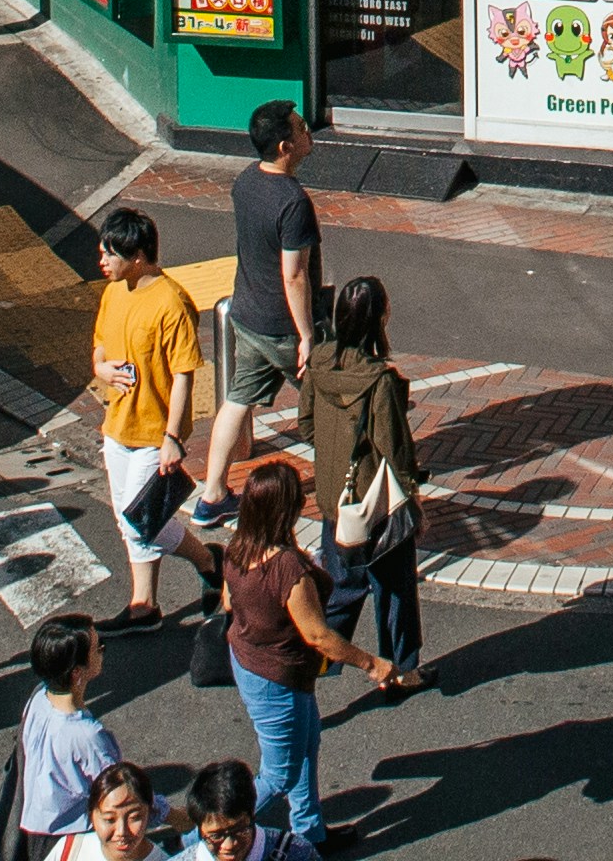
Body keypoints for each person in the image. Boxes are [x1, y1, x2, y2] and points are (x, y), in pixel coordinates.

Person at [213, 455, 418, 861]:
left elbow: (228, 604)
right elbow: (318, 635)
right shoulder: (286, 567)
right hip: (277, 679)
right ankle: (211, 831)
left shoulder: (238, 548)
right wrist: (373, 663)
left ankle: (310, 831)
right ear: (284, 509)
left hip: (257, 665)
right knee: (278, 774)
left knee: (307, 744)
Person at [89, 201, 219, 629]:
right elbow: (101, 347)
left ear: (138, 257)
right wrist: (101, 368)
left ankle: (205, 561)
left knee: (140, 522)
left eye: (111, 253)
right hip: (118, 426)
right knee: (130, 520)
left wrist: (172, 437)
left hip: (153, 433)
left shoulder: (171, 302)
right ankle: (144, 604)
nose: (102, 261)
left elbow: (184, 375)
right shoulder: (113, 293)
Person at [299, 273, 427, 683]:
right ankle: (402, 671)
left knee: (340, 585)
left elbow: (306, 426)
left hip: (334, 497)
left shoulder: (318, 361)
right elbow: (395, 451)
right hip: (375, 505)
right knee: (394, 588)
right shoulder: (380, 381)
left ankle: (317, 661)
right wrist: (413, 501)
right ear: (380, 320)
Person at [201, 110, 322, 532]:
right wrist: (307, 335)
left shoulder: (245, 182)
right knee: (333, 399)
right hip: (282, 324)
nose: (309, 132)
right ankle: (347, 486)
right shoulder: (293, 202)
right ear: (286, 147)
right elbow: (294, 274)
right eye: (302, 128)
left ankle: (212, 493)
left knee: (236, 400)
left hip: (246, 313)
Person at [15, 618, 125, 861]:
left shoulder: (38, 700)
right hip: (72, 839)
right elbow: (122, 791)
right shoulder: (87, 735)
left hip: (36, 833)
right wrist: (170, 814)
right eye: (99, 648)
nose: (102, 652)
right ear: (77, 672)